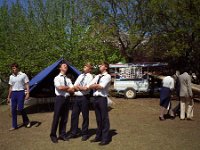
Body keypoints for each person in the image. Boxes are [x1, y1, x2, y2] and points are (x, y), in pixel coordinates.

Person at [67, 63, 93, 141]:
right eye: (84, 66)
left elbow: (86, 88)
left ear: (90, 69)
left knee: (85, 116)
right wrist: (79, 87)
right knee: (74, 115)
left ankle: (85, 133)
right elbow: (74, 86)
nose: (84, 68)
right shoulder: (80, 76)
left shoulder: (90, 77)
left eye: (85, 67)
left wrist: (79, 87)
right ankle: (73, 132)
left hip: (85, 98)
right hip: (77, 97)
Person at [50, 62, 74, 143]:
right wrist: (68, 87)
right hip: (59, 99)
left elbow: (72, 89)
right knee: (56, 117)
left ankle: (62, 134)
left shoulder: (68, 79)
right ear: (60, 68)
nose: (66, 67)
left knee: (64, 118)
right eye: (64, 66)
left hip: (67, 99)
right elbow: (60, 87)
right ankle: (53, 135)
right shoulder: (57, 78)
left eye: (66, 66)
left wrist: (66, 88)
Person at [89, 62, 111, 146]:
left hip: (102, 99)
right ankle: (98, 136)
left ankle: (105, 139)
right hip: (95, 99)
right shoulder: (97, 76)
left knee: (104, 118)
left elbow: (101, 86)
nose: (99, 66)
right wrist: (95, 85)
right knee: (98, 119)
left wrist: (94, 85)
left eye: (101, 65)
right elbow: (89, 85)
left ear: (105, 67)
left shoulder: (107, 76)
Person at [7, 63, 31, 131]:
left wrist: (28, 93)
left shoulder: (23, 75)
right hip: (13, 93)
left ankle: (26, 121)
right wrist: (8, 97)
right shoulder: (11, 76)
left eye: (14, 68)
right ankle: (14, 126)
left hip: (21, 92)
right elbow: (10, 87)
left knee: (20, 108)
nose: (13, 69)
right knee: (13, 110)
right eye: (12, 68)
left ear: (17, 68)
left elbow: (27, 84)